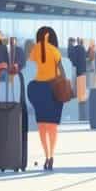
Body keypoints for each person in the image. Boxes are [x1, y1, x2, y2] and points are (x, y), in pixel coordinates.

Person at [28, 26, 65, 171]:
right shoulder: (55, 51)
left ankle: (47, 155)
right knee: (52, 126)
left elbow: (31, 60)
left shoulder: (36, 49)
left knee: (42, 125)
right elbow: (62, 71)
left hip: (39, 89)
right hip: (53, 88)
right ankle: (52, 155)